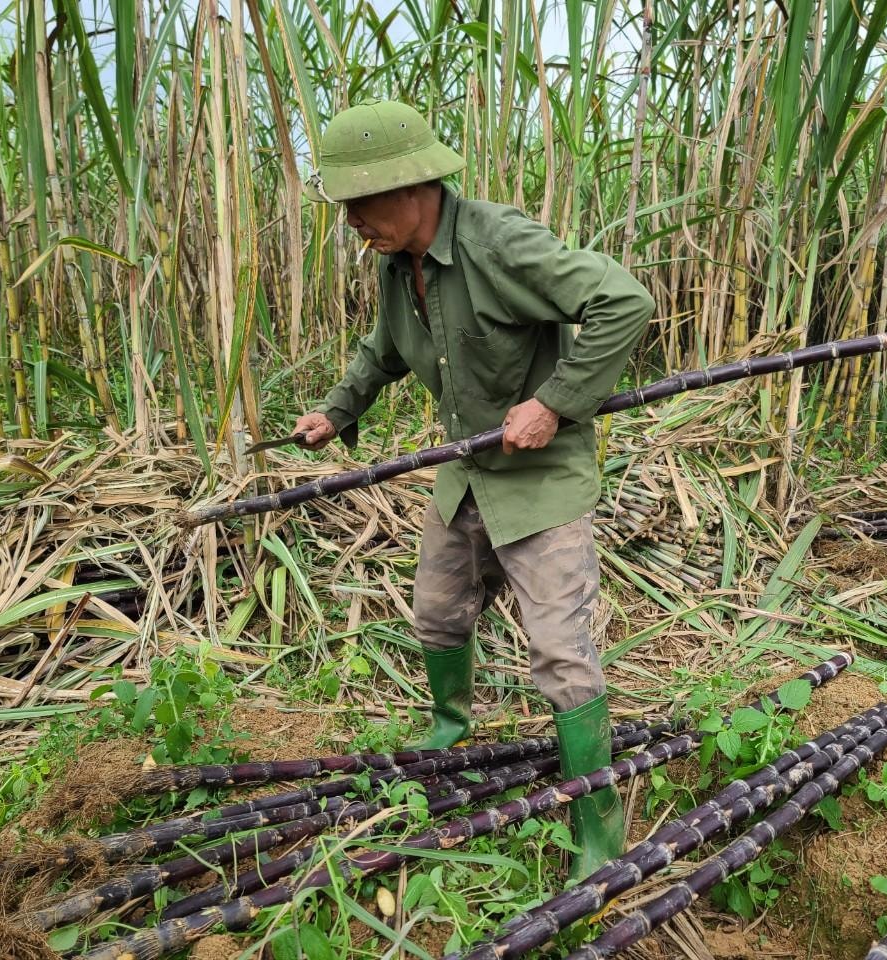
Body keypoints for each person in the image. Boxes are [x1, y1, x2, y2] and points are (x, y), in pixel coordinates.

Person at [293, 100, 654, 879]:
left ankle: (597, 822)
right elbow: (384, 350)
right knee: (437, 611)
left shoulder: (501, 242)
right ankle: (449, 724)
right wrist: (335, 411)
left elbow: (623, 300)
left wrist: (556, 401)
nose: (352, 219)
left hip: (540, 485)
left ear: (412, 186)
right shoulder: (398, 269)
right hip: (466, 476)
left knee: (560, 651)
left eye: (360, 201)